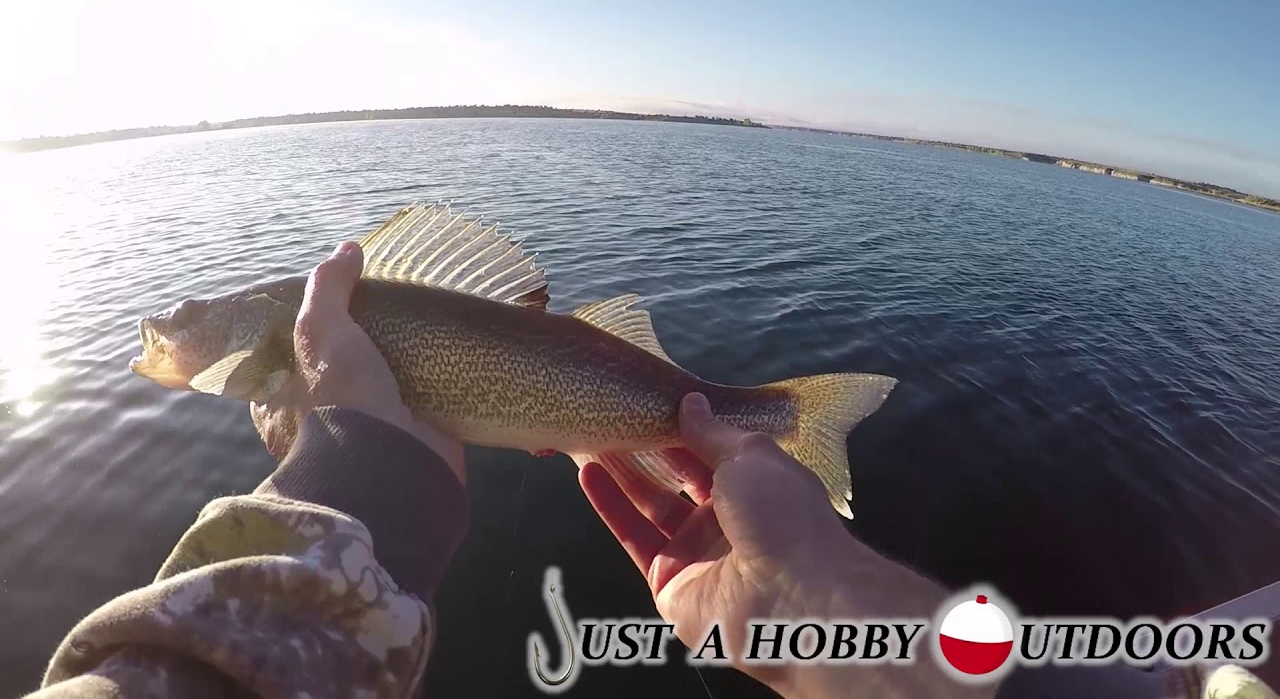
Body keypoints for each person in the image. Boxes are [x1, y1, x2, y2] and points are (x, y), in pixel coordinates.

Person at [27, 245, 1277, 698]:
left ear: (258, 326)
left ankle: (785, 422)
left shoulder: (299, 351)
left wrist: (352, 474)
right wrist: (813, 595)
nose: (167, 327)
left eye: (183, 310)